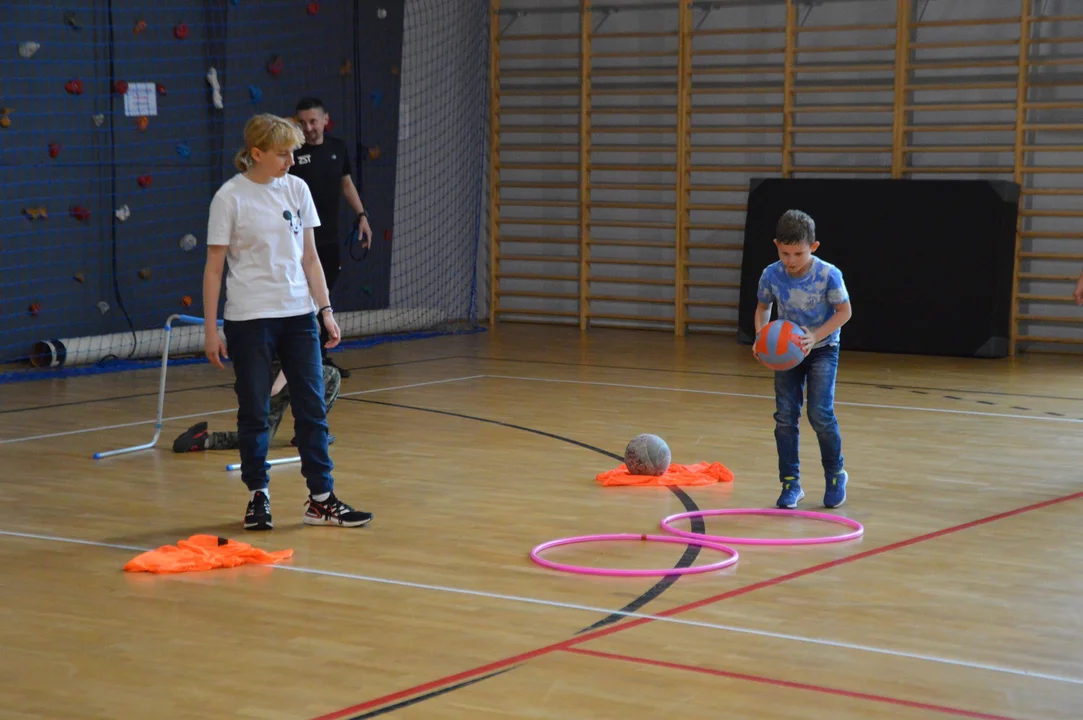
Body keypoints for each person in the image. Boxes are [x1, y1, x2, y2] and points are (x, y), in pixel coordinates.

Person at [203, 112, 372, 531]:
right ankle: (258, 496)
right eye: (282, 154)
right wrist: (211, 330)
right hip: (249, 320)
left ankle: (321, 500)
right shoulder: (230, 198)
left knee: (312, 409)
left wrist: (325, 310)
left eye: (293, 152)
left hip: (298, 317)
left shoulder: (297, 190)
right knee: (255, 412)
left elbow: (310, 258)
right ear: (256, 152)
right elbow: (213, 269)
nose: (291, 161)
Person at [753, 209, 853, 510]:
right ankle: (790, 484)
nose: (791, 260)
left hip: (822, 348)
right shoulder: (771, 273)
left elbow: (844, 312)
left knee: (820, 414)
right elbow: (762, 308)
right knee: (785, 416)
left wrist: (816, 336)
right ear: (776, 246)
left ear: (814, 247)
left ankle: (836, 474)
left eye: (798, 253)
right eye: (785, 253)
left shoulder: (828, 274)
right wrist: (761, 337)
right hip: (787, 353)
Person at [289, 96, 374, 379]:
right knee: (300, 299)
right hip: (297, 243)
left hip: (328, 240)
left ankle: (320, 359)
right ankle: (292, 360)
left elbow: (346, 183)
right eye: (302, 122)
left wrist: (362, 216)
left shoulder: (337, 148)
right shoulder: (290, 154)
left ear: (325, 120)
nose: (309, 127)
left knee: (322, 299)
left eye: (313, 121)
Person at [172, 363, 341, 453]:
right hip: (280, 377)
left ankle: (206, 441)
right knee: (332, 376)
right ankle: (310, 434)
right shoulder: (303, 306)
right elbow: (294, 354)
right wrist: (277, 387)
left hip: (262, 376)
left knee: (261, 439)